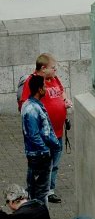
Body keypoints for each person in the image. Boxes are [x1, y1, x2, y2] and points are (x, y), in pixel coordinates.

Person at [20, 74, 60, 210]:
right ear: (39, 89)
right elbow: (33, 134)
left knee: (35, 190)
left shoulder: (33, 105)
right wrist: (45, 150)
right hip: (39, 156)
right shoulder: (32, 109)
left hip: (38, 154)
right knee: (41, 192)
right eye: (44, 87)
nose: (45, 89)